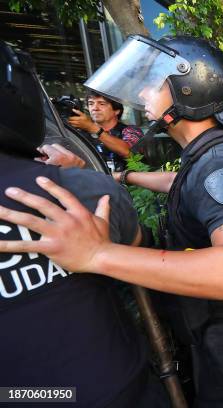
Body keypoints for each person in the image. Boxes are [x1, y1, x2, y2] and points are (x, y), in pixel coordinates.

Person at [0, 35, 223, 408]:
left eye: (155, 83)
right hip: (214, 327)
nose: (144, 94)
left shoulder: (221, 162)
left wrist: (96, 255)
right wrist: (117, 178)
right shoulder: (207, 155)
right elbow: (185, 185)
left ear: (189, 88)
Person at [0, 41, 159, 407]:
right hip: (113, 384)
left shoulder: (124, 135)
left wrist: (87, 167)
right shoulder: (79, 146)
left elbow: (132, 155)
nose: (92, 107)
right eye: (90, 103)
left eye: (101, 103)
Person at [68, 91, 143, 171]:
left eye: (101, 104)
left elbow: (129, 153)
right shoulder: (79, 132)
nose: (95, 108)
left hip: (125, 182)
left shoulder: (131, 130)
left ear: (116, 111)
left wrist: (92, 128)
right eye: (91, 103)